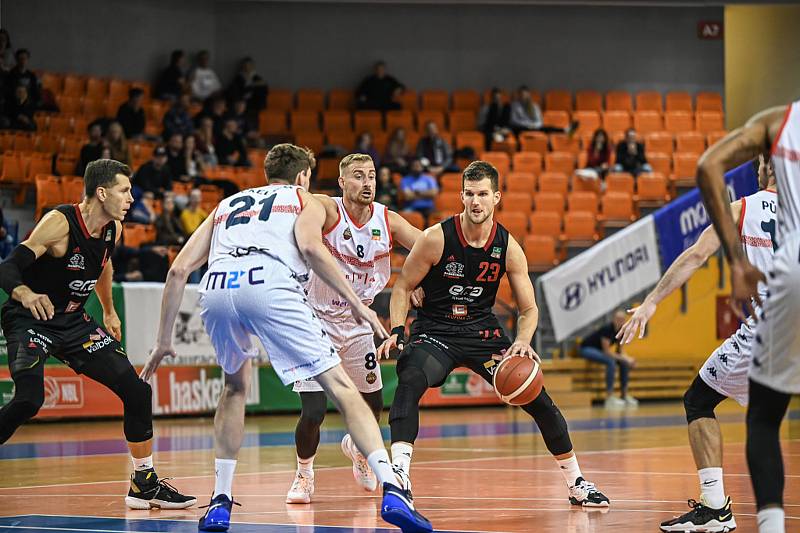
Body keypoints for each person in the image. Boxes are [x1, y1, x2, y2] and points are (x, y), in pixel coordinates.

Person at [139, 143, 432, 533]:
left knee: (234, 389)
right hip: (272, 286)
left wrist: (162, 341)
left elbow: (177, 271)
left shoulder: (228, 202)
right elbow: (310, 246)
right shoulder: (304, 198)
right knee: (342, 391)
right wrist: (358, 303)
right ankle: (393, 489)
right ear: (303, 176)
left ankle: (220, 501)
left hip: (217, 288)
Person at [377, 160, 610, 508]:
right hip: (436, 330)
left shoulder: (508, 247)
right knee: (409, 378)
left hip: (482, 331)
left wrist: (521, 342)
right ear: (461, 196)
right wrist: (398, 328)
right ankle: (400, 477)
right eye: (469, 194)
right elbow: (402, 287)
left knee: (538, 398)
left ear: (496, 197)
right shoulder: (436, 238)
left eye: (483, 194)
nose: (475, 201)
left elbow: (529, 309)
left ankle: (577, 482)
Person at [0, 159, 195, 509]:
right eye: (125, 190)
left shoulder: (113, 229)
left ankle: (144, 484)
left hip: (74, 322)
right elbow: (9, 266)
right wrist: (26, 294)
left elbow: (103, 264)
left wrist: (108, 309)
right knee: (29, 400)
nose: (131, 198)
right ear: (101, 192)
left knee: (137, 391)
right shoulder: (59, 223)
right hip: (31, 317)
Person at [618, 156, 776, 532]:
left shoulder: (740, 209)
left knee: (699, 400)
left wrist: (652, 302)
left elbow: (694, 257)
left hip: (767, 332)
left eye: (758, 164)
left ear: (766, 168)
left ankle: (715, 507)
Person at [286, 153, 423, 503]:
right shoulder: (328, 210)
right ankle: (304, 475)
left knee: (373, 403)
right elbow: (303, 201)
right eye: (359, 176)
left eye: (372, 176)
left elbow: (427, 246)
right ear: (342, 182)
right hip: (315, 322)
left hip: (359, 323)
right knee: (314, 411)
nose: (368, 183)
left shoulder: (386, 219)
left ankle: (358, 449)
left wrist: (421, 275)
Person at [694, 102, 799, 533]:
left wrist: (738, 262)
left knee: (764, 419)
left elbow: (708, 166)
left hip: (789, 281)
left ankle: (763, 524)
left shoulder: (780, 122)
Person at [579, 310, 636, 408]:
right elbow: (607, 352)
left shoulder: (621, 331)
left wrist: (628, 359)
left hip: (600, 351)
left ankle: (624, 395)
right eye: (618, 319)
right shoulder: (607, 329)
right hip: (587, 348)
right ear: (614, 320)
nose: (620, 321)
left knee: (624, 363)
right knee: (611, 362)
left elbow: (619, 352)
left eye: (622, 320)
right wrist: (625, 359)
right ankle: (609, 397)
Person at [508, 85, 577, 136]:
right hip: (522, 127)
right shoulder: (514, 105)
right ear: (519, 95)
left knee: (548, 128)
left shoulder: (534, 106)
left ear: (528, 95)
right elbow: (513, 120)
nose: (523, 97)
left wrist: (534, 125)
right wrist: (527, 124)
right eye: (522, 95)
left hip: (534, 127)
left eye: (525, 95)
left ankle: (565, 130)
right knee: (514, 129)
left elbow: (540, 121)